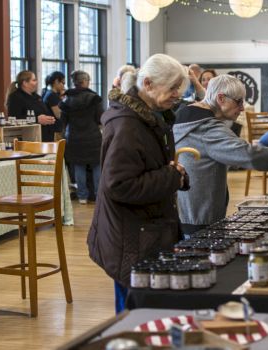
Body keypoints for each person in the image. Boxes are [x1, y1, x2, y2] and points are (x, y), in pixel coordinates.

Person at [87, 54, 189, 314]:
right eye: (173, 88)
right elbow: (120, 185)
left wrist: (173, 175)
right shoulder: (127, 126)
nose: (177, 95)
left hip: (143, 230)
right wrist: (171, 177)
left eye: (179, 88)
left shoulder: (152, 117)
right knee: (133, 316)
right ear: (148, 84)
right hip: (131, 236)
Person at [174, 74, 268, 235]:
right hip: (201, 219)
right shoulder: (208, 129)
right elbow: (248, 155)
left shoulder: (186, 115)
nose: (242, 108)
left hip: (185, 212)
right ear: (221, 98)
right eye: (239, 101)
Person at [59, 70, 104, 205]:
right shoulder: (94, 98)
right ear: (84, 82)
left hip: (74, 137)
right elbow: (100, 118)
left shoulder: (67, 99)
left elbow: (63, 121)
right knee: (96, 165)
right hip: (93, 136)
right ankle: (97, 194)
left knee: (79, 166)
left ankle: (82, 196)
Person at [6, 70, 56, 141]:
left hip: (45, 135)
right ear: (25, 83)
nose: (37, 82)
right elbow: (14, 118)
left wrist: (49, 119)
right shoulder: (15, 97)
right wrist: (36, 119)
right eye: (34, 80)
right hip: (28, 137)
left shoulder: (36, 97)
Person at [42, 71, 66, 140]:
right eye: (63, 83)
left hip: (55, 129)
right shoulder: (52, 95)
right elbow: (58, 114)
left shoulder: (50, 93)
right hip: (55, 131)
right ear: (56, 81)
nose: (63, 86)